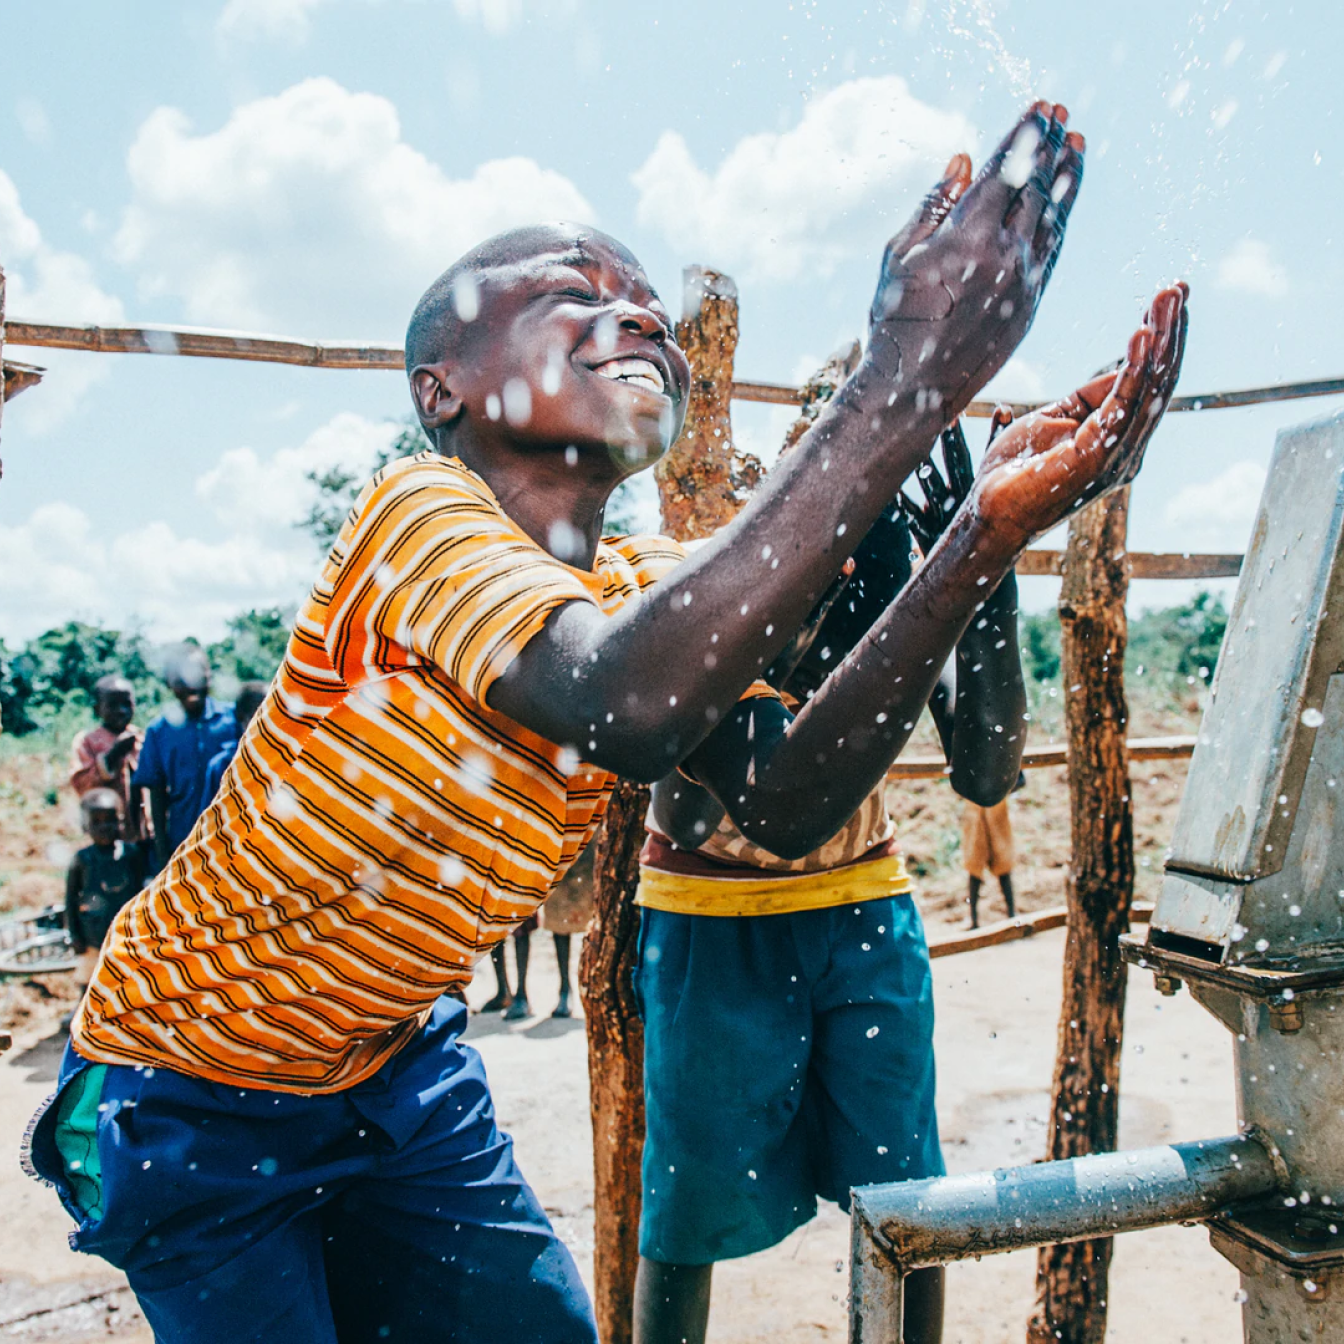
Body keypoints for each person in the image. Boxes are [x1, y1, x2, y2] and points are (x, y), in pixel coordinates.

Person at [27, 100, 1185, 1343]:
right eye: (568, 292)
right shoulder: (419, 517)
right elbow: (619, 702)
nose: (638, 317)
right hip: (190, 1091)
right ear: (444, 390)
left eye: (647, 303)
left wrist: (982, 534)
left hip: (398, 1074)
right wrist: (905, 379)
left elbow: (788, 801)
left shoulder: (632, 589)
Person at [632, 421, 1026, 1343]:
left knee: (910, 1201)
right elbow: (694, 811)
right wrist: (793, 640)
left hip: (863, 910)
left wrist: (987, 579)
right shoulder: (715, 579)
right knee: (687, 1213)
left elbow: (986, 777)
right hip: (710, 918)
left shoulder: (896, 579)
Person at [131, 647, 235, 871]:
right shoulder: (159, 731)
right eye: (180, 677)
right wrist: (161, 853)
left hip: (233, 837)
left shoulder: (235, 720)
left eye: (196, 674)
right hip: (184, 842)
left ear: (209, 676)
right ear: (168, 683)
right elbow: (156, 794)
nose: (189, 683)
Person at [64, 789, 148, 1004]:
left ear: (121, 821)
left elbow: (141, 890)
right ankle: (84, 1019)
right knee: (89, 980)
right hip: (92, 935)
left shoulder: (131, 854)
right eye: (97, 822)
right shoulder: (82, 860)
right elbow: (70, 899)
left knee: (126, 979)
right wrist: (74, 934)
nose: (105, 828)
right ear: (85, 825)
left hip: (125, 935)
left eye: (111, 820)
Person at [68, 676, 144, 840]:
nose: (121, 711)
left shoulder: (143, 739)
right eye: (112, 705)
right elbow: (82, 785)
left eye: (127, 704)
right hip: (106, 835)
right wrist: (114, 754)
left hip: (143, 833)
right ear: (97, 709)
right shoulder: (87, 742)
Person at [197, 680, 269, 815]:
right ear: (242, 717)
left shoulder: (286, 759)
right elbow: (209, 818)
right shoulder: (222, 766)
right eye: (260, 713)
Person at [961, 780, 1023, 928]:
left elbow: (1019, 778)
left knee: (1002, 859)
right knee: (974, 862)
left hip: (997, 803)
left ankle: (1011, 914)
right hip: (974, 805)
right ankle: (973, 918)